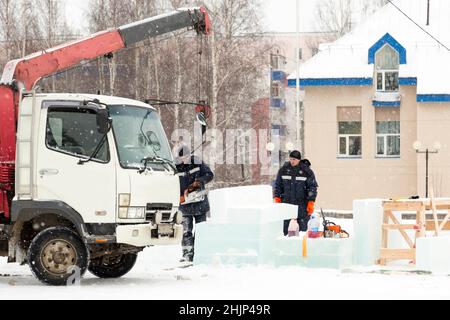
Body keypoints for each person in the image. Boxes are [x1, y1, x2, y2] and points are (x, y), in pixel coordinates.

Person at [175, 143, 214, 263]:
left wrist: (199, 182)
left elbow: (210, 175)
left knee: (201, 230)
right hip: (184, 205)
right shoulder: (175, 167)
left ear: (189, 155)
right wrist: (179, 196)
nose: (184, 160)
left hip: (199, 204)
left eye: (186, 158)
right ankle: (187, 254)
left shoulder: (197, 162)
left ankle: (200, 254)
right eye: (182, 159)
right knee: (186, 231)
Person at [273, 150, 318, 235]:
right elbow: (278, 185)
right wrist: (277, 198)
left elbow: (312, 188)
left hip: (301, 206)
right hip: (286, 204)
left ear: (299, 160)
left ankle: (301, 247)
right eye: (290, 159)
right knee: (284, 231)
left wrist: (311, 202)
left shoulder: (306, 172)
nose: (292, 161)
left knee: (302, 231)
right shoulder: (283, 170)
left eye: (294, 159)